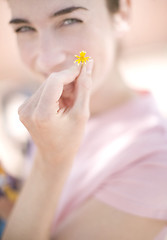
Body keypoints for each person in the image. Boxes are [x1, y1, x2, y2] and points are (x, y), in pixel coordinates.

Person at [2, 0, 167, 239]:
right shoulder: (50, 114)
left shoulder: (156, 165)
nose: (47, 60)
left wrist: (50, 160)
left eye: (70, 21)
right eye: (24, 28)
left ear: (122, 13)